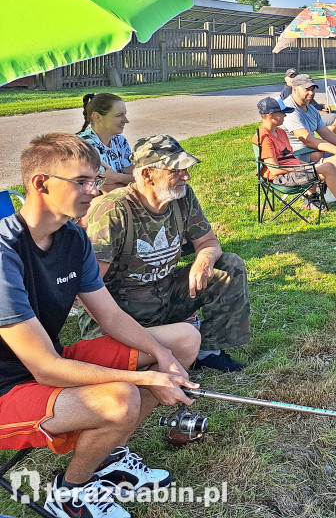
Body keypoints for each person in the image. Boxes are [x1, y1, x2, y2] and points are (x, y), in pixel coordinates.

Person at [1, 133, 200, 518]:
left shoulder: (73, 236)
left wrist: (162, 356)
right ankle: (70, 492)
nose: (95, 190)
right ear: (41, 183)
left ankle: (108, 455)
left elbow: (109, 316)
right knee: (121, 397)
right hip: (8, 386)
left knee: (183, 339)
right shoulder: (5, 252)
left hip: (47, 363)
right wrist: (148, 379)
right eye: (83, 181)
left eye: (96, 180)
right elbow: (44, 368)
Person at [82, 135, 250, 374]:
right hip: (121, 315)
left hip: (165, 297)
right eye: (176, 170)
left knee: (229, 266)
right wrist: (125, 332)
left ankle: (208, 352)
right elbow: (88, 286)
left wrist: (204, 258)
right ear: (148, 174)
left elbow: (209, 241)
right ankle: (144, 350)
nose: (186, 176)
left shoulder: (181, 197)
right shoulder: (114, 209)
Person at [253, 97, 336, 226]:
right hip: (281, 178)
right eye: (283, 113)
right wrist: (306, 168)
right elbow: (274, 169)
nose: (285, 115)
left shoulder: (280, 132)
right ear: (272, 115)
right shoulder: (264, 137)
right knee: (328, 167)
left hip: (296, 172)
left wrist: (309, 166)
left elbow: (291, 159)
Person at [77, 93, 134, 192]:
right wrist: (128, 180)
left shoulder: (120, 140)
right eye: (119, 115)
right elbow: (107, 190)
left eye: (125, 114)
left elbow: (138, 176)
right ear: (97, 117)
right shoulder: (85, 146)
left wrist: (117, 177)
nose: (126, 120)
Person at [281, 68, 336, 135]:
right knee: (335, 118)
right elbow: (308, 140)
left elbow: (325, 135)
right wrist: (320, 112)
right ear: (286, 79)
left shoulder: (310, 107)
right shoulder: (289, 98)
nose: (311, 93)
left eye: (295, 76)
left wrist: (322, 105)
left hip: (316, 112)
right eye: (291, 76)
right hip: (317, 116)